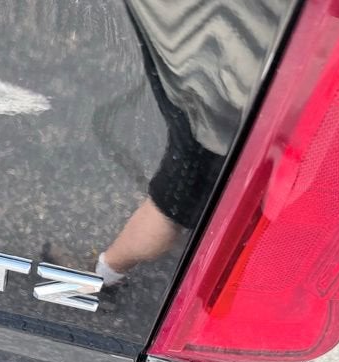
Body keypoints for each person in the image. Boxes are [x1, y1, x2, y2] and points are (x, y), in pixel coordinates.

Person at [97, 0, 285, 285]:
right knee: (187, 179)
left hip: (211, 61)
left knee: (179, 192)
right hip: (231, 58)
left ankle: (103, 274)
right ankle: (105, 273)